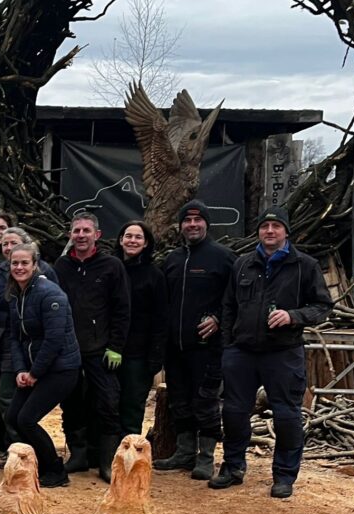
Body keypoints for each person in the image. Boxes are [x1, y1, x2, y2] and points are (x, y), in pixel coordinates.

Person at [213, 208, 332, 498]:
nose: (269, 231)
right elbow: (228, 306)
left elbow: (322, 307)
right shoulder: (243, 264)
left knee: (287, 415)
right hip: (242, 351)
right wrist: (229, 345)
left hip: (283, 352)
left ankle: (284, 475)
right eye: (264, 225)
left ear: (286, 232)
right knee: (233, 412)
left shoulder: (304, 265)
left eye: (276, 226)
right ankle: (232, 467)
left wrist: (293, 316)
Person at [155, 200, 237, 479]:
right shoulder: (172, 259)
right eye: (187, 221)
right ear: (180, 226)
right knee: (179, 401)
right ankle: (184, 452)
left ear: (206, 224)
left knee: (205, 401)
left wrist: (217, 317)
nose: (192, 225)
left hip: (208, 347)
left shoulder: (224, 257)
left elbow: (236, 298)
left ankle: (206, 456)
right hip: (175, 347)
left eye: (197, 220)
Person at [54, 212, 130, 481]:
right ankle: (78, 455)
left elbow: (122, 309)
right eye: (76, 231)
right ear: (70, 235)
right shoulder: (61, 267)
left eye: (87, 230)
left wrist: (116, 347)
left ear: (97, 235)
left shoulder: (111, 266)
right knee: (71, 403)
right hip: (69, 348)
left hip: (102, 349)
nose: (81, 235)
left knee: (108, 402)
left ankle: (107, 462)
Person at [0, 227, 58, 462]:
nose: (8, 248)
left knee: (10, 398)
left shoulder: (44, 275)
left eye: (14, 243)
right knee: (3, 396)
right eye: (5, 245)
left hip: (28, 343)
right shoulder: (0, 272)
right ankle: (8, 445)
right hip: (0, 339)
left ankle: (20, 450)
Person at [5, 244, 81, 488]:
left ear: (34, 264)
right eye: (15, 263)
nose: (19, 267)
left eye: (24, 263)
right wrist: (20, 371)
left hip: (60, 369)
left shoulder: (50, 294)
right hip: (31, 369)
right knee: (14, 416)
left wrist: (35, 373)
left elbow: (54, 340)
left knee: (27, 418)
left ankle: (55, 470)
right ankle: (37, 465)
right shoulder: (16, 294)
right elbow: (15, 337)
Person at [115, 221, 167, 437]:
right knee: (105, 405)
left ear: (146, 243)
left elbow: (161, 318)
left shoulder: (155, 276)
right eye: (128, 236)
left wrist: (155, 356)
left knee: (132, 408)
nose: (132, 241)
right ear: (120, 240)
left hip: (139, 355)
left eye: (138, 237)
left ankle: (131, 454)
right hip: (108, 350)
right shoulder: (110, 269)